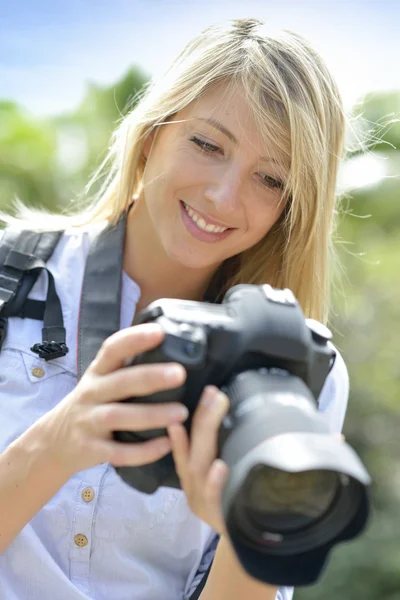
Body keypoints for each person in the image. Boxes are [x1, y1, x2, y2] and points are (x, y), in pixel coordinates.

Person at [0, 17, 350, 600]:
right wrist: (54, 443)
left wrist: (247, 536)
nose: (223, 196)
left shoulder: (301, 370)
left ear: (294, 207)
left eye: (270, 179)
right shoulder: (9, 275)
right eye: (208, 145)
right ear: (153, 131)